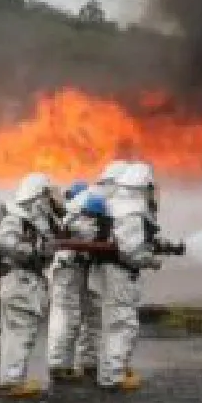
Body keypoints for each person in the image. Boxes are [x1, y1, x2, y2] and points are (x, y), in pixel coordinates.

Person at [96, 160, 185, 392]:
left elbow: (130, 240)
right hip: (121, 274)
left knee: (112, 322)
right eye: (150, 188)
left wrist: (162, 246)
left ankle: (110, 370)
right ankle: (113, 376)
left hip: (110, 272)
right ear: (142, 186)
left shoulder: (116, 204)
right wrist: (151, 261)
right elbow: (132, 250)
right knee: (123, 324)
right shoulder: (133, 210)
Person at [0, 172, 61, 398]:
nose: (52, 200)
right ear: (39, 196)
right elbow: (2, 241)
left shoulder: (29, 219)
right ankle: (12, 381)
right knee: (21, 332)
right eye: (48, 196)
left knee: (6, 330)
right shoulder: (18, 216)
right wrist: (29, 251)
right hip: (22, 281)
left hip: (19, 281)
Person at [47, 161, 126, 383]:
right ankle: (59, 367)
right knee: (67, 316)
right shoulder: (91, 202)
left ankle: (81, 364)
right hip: (69, 267)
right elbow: (84, 234)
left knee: (85, 315)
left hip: (79, 267)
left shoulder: (92, 200)